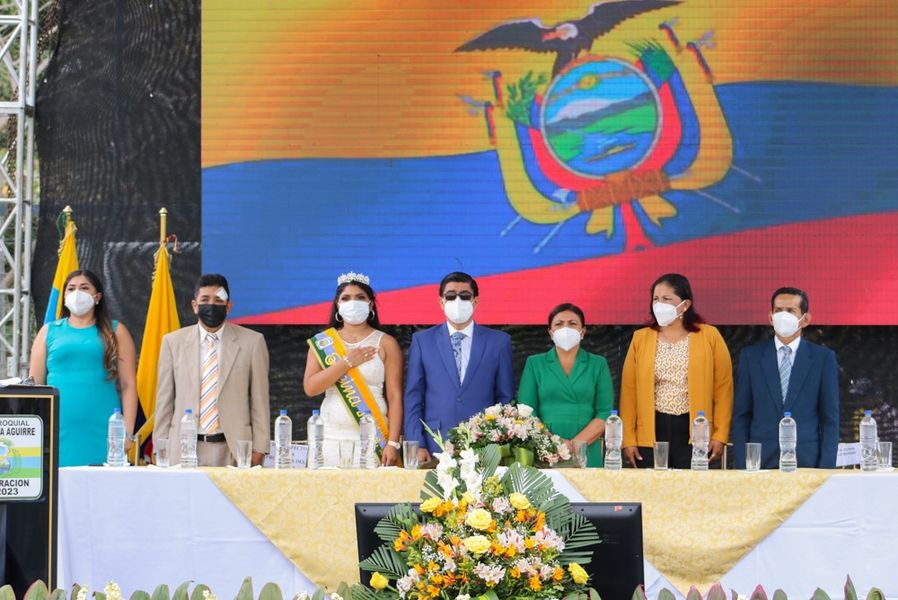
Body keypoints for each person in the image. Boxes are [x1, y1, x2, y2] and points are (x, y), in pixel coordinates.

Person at [154, 274, 270, 467]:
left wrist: (260, 448)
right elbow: (164, 401)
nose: (211, 305)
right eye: (205, 299)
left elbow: (260, 401)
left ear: (228, 306)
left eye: (218, 300)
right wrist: (161, 446)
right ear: (194, 305)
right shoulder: (173, 343)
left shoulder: (252, 342)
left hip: (234, 450)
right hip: (183, 449)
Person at [620, 273, 733, 469]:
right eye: (656, 299)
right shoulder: (640, 338)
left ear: (685, 304)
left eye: (667, 299)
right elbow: (629, 392)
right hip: (651, 431)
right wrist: (628, 439)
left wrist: (720, 435)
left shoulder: (710, 336)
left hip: (696, 432)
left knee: (691, 486)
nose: (659, 304)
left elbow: (723, 389)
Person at [30, 270, 138, 467]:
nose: (77, 293)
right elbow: (34, 387)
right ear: (64, 297)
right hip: (56, 427)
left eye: (84, 287)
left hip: (106, 429)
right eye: (71, 289)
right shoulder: (48, 332)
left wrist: (128, 433)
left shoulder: (116, 331)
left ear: (97, 296)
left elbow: (128, 384)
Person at [404, 271, 515, 463]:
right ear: (441, 302)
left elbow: (505, 398)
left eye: (464, 296)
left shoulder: (498, 342)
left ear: (475, 301)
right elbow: (413, 397)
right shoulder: (423, 341)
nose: (458, 301)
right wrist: (417, 443)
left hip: (485, 446)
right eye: (450, 296)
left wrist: (500, 443)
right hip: (434, 444)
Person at [303, 273, 403, 466]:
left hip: (373, 439)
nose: (353, 302)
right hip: (329, 439)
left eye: (360, 297)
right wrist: (347, 362)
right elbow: (311, 388)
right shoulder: (322, 343)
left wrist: (392, 443)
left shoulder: (386, 343)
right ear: (338, 305)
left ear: (370, 305)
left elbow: (395, 397)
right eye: (346, 298)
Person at [732, 287, 839, 469]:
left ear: (805, 319)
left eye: (790, 311)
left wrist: (826, 468)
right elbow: (742, 416)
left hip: (806, 461)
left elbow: (830, 420)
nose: (783, 316)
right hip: (760, 461)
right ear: (770, 317)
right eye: (778, 310)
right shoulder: (751, 357)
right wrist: (742, 465)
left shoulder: (823, 358)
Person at [517, 303, 613, 467]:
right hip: (545, 447)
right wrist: (554, 443)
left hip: (587, 445)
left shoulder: (598, 364)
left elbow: (604, 412)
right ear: (550, 332)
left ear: (582, 331)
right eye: (559, 324)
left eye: (572, 323)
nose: (565, 328)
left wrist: (578, 443)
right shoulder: (535, 363)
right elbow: (526, 410)